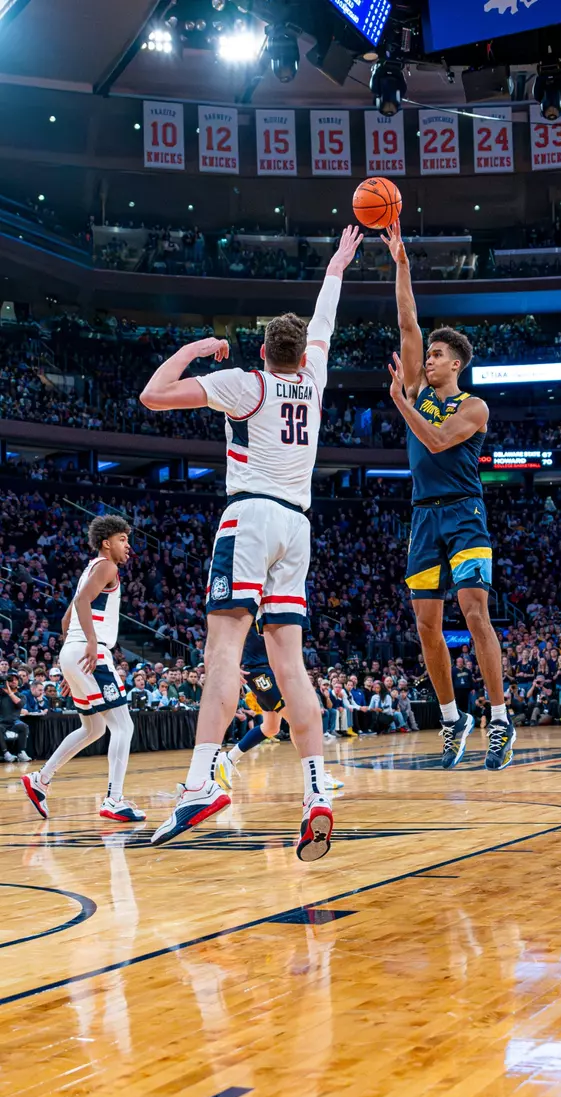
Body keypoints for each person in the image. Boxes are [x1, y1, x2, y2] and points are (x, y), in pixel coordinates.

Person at [140, 225, 362, 857]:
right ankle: (317, 791)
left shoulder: (246, 383)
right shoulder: (313, 377)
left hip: (250, 518)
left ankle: (199, 781)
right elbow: (326, 317)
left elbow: (153, 397)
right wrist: (338, 264)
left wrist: (197, 346)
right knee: (290, 666)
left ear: (263, 351)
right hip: (298, 526)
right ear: (298, 353)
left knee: (224, 655)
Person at [383, 220, 515, 772]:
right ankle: (452, 717)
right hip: (422, 518)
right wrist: (402, 265)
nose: (428, 359)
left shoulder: (473, 408)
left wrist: (401, 404)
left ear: (456, 364)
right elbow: (408, 321)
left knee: (475, 612)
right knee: (425, 625)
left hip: (464, 514)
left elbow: (436, 441)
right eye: (428, 355)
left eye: (438, 355)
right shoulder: (417, 385)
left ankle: (501, 718)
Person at [21, 516, 145, 823]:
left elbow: (68, 618)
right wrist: (91, 642)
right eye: (122, 539)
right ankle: (114, 800)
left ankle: (41, 779)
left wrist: (69, 668)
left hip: (72, 653)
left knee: (94, 728)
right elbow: (81, 604)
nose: (127, 545)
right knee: (123, 726)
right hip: (91, 652)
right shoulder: (107, 566)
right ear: (107, 543)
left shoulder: (89, 570)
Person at [220, 624, 343, 789]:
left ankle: (228, 758)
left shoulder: (271, 610)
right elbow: (228, 634)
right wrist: (230, 664)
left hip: (271, 670)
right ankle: (317, 776)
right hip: (259, 671)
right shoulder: (250, 607)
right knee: (298, 721)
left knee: (271, 727)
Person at [1, 673, 30, 762]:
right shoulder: (1, 695)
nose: (14, 681)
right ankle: (6, 753)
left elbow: (19, 704)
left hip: (14, 722)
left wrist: (10, 692)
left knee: (23, 726)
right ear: (6, 683)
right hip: (1, 722)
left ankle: (21, 752)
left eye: (15, 680)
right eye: (10, 680)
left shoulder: (21, 695)